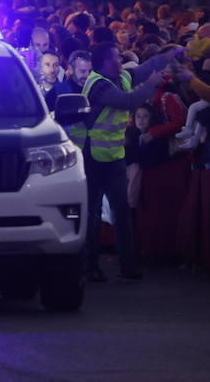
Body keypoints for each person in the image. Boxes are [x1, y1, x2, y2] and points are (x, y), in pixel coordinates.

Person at [76, 41, 184, 282]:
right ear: (104, 62)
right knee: (93, 213)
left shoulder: (121, 76)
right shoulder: (98, 85)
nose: (120, 60)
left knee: (122, 210)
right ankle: (91, 266)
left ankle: (127, 265)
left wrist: (170, 54)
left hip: (114, 157)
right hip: (93, 157)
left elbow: (146, 67)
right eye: (115, 57)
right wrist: (150, 86)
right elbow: (128, 102)